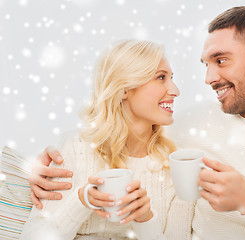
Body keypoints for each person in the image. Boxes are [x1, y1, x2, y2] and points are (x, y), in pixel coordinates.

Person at [30, 6, 245, 240]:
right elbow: (124, 133)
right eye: (205, 64)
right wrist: (38, 170)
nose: (207, 78)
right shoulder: (191, 129)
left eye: (221, 61)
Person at [21, 39, 194, 239]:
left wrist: (145, 219)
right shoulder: (77, 148)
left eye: (171, 77)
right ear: (125, 89)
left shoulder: (180, 166)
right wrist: (82, 200)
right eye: (161, 77)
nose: (175, 90)